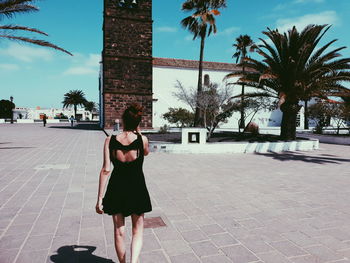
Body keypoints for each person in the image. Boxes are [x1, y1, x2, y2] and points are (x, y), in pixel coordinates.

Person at [96, 103, 152, 263]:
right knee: (137, 230)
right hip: (137, 188)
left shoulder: (109, 140)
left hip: (116, 188)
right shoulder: (143, 140)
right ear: (138, 122)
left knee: (119, 231)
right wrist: (138, 132)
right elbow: (146, 153)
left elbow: (106, 170)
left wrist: (100, 198)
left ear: (123, 121)